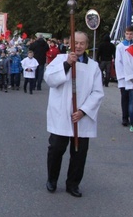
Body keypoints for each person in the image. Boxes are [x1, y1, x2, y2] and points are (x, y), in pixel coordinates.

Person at [44, 31, 104, 197]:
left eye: (82, 43)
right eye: (75, 43)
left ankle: (73, 183)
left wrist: (83, 111)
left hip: (81, 116)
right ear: (70, 43)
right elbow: (49, 79)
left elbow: (98, 92)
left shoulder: (93, 66)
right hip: (62, 114)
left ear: (86, 46)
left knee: (79, 153)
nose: (78, 46)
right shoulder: (60, 60)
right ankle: (52, 179)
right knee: (56, 148)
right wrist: (67, 65)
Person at [114, 26, 133, 126]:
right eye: (127, 34)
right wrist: (121, 76)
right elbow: (118, 62)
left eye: (131, 34)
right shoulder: (120, 46)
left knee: (132, 98)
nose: (129, 36)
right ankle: (125, 117)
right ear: (125, 34)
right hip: (124, 77)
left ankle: (131, 116)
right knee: (125, 97)